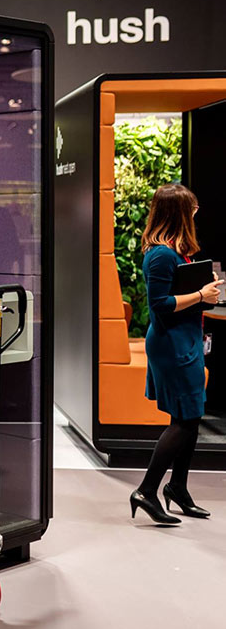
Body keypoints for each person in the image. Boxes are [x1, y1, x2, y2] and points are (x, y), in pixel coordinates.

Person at [130, 184, 223, 524]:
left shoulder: (174, 253)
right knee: (183, 422)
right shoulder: (161, 255)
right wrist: (200, 295)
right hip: (172, 346)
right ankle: (146, 490)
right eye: (192, 211)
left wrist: (202, 289)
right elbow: (160, 305)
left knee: (190, 417)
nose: (195, 216)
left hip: (184, 342)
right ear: (179, 214)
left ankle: (178, 488)